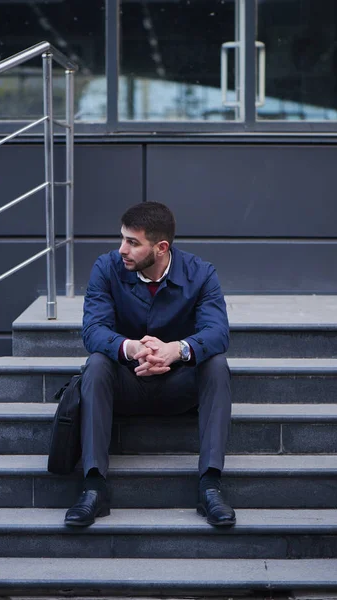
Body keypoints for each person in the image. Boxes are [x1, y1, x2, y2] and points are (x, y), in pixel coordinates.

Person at [64, 201, 235, 528]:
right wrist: (130, 348)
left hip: (179, 386)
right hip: (126, 383)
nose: (122, 249)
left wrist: (176, 351)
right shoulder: (107, 268)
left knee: (216, 365)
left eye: (132, 242)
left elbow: (217, 332)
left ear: (161, 247)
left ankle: (210, 485)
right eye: (122, 239)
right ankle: (93, 486)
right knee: (96, 363)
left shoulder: (200, 274)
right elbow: (93, 330)